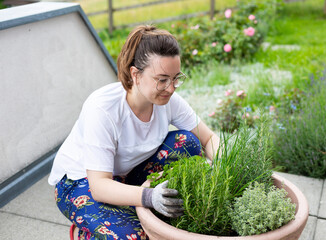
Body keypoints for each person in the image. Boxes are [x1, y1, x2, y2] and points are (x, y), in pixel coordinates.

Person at [48, 25, 220, 240]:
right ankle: (89, 229)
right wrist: (149, 196)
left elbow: (209, 138)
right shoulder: (103, 109)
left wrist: (224, 167)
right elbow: (100, 185)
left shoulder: (169, 100)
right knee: (135, 235)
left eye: (176, 77)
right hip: (81, 182)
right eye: (162, 79)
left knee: (187, 142)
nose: (172, 87)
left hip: (125, 175)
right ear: (135, 74)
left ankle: (121, 210)